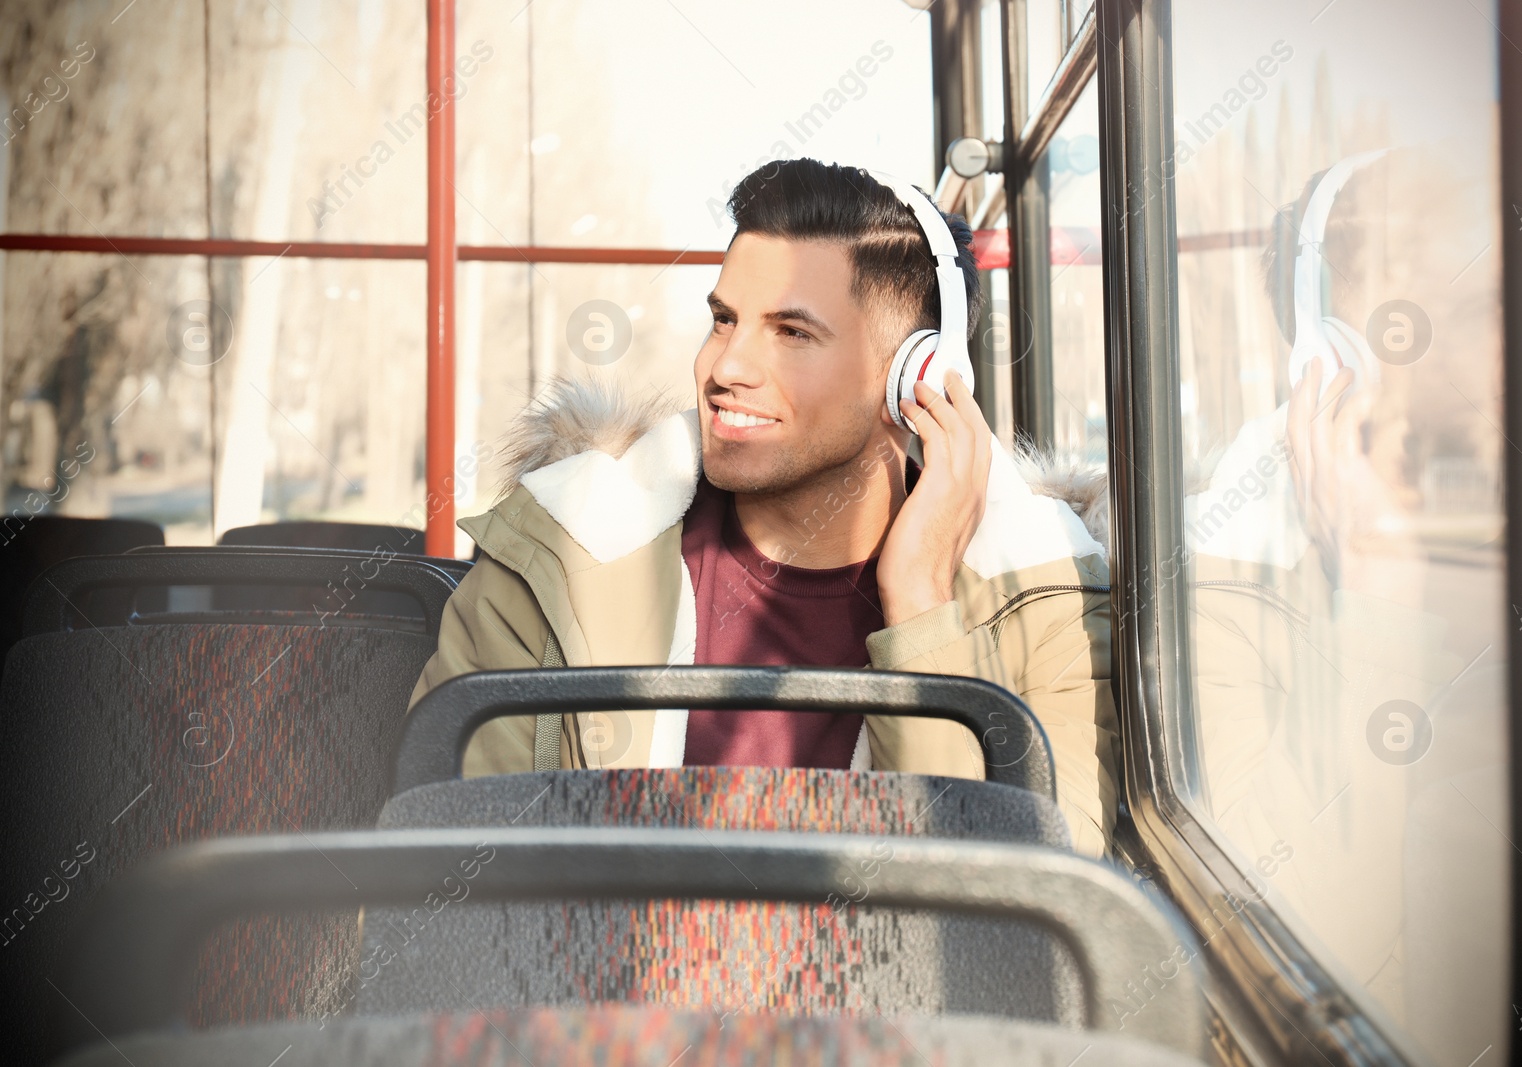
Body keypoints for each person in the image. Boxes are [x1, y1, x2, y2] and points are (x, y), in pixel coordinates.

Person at [408, 158, 1118, 858]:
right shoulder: (556, 557)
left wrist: (924, 608)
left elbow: (1024, 924)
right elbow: (441, 900)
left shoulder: (1047, 603)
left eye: (791, 332)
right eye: (723, 320)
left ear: (918, 379)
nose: (725, 368)